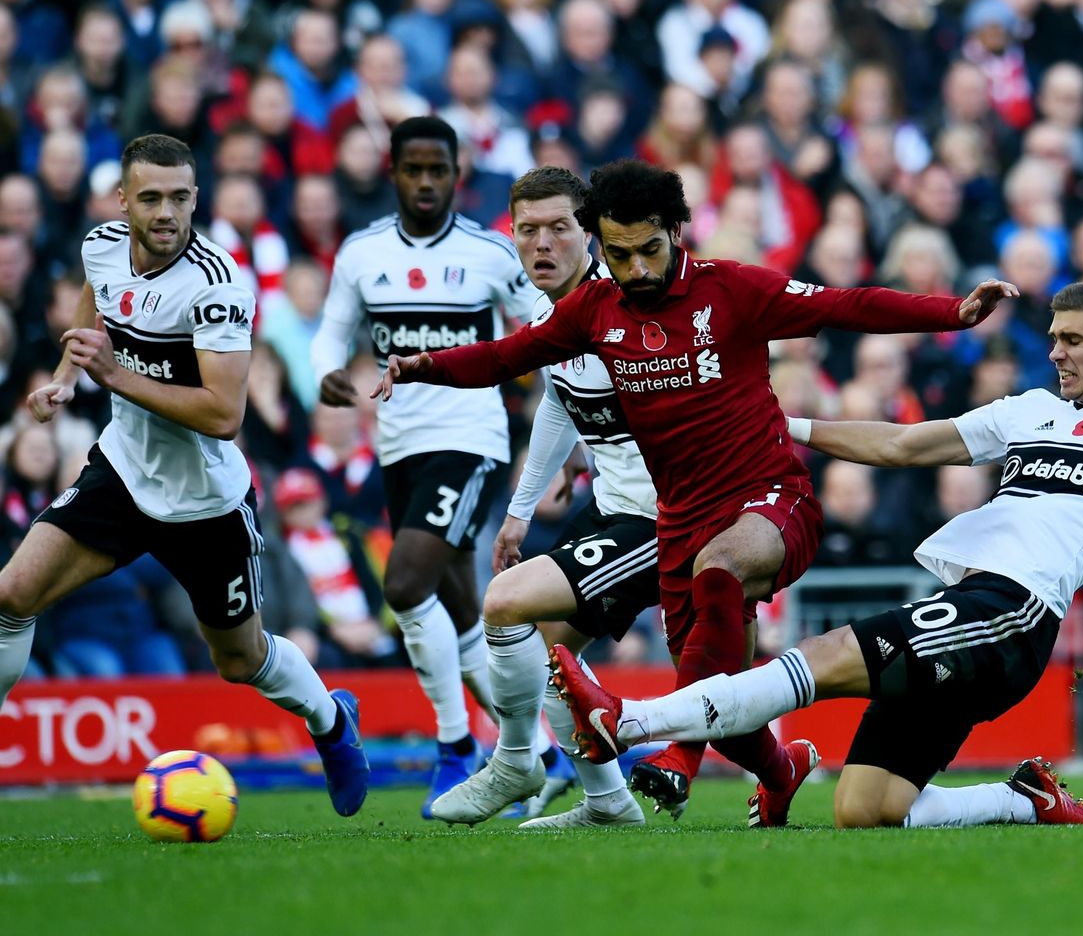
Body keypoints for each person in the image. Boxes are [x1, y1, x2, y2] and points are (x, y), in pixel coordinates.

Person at [374, 158, 1016, 822]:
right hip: (681, 520)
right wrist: (423, 365)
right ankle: (780, 768)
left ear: (675, 232)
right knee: (719, 693)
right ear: (600, 245)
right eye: (619, 255)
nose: (639, 269)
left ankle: (675, 756)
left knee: (721, 571)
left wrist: (954, 312)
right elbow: (508, 356)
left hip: (772, 497)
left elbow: (842, 303)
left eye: (650, 249)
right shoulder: (593, 311)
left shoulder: (730, 289)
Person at [548, 280, 1083, 829]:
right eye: (1053, 337)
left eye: (1072, 339)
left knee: (826, 655)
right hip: (965, 607)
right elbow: (902, 445)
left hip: (1015, 614)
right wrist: (784, 425)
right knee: (865, 810)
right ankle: (1024, 800)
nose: (1055, 352)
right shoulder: (1033, 410)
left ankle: (629, 721)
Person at [0, 133, 369, 816]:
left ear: (196, 198)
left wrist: (115, 374)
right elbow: (96, 301)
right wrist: (65, 375)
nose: (166, 212)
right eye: (151, 198)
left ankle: (330, 720)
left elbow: (223, 413)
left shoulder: (219, 283)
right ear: (123, 200)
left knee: (241, 660)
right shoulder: (102, 246)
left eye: (179, 197)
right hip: (124, 471)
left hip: (205, 501)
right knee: (11, 595)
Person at [311, 115, 537, 818]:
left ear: (457, 174)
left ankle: (455, 747)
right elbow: (329, 338)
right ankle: (546, 750)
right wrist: (327, 376)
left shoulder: (491, 253)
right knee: (463, 611)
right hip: (400, 446)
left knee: (406, 583)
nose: (427, 182)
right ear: (393, 173)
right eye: (414, 169)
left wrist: (566, 441)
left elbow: (548, 331)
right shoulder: (361, 253)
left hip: (473, 440)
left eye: (439, 169)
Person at [430, 166, 655, 828]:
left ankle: (516, 759)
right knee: (551, 651)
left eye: (559, 228)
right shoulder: (545, 311)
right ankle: (608, 801)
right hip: (614, 504)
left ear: (590, 232)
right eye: (527, 231)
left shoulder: (632, 303)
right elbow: (560, 405)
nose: (542, 244)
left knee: (507, 608)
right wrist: (520, 511)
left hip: (666, 516)